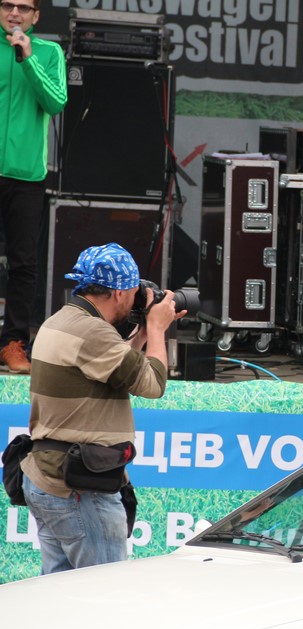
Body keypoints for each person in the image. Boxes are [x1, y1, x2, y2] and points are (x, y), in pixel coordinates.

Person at [20, 243, 185, 574]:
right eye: (134, 291)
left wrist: (141, 334)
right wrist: (157, 329)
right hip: (80, 490)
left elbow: (112, 363)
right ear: (120, 293)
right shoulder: (92, 332)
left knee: (60, 593)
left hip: (49, 477)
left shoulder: (62, 320)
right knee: (103, 592)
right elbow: (153, 384)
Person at [0, 0, 67, 374]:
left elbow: (55, 102)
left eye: (23, 8)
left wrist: (27, 58)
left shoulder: (48, 52)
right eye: (7, 5)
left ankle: (13, 343)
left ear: (36, 16)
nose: (14, 13)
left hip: (26, 175)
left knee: (23, 264)